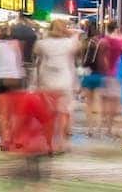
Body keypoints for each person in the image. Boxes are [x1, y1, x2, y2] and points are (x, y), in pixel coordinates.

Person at [33, 20, 79, 152]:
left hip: (47, 82)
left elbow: (37, 57)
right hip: (64, 82)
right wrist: (71, 34)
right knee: (64, 113)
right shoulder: (69, 43)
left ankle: (49, 143)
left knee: (48, 114)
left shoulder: (42, 44)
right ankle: (61, 142)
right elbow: (78, 47)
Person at [0, 23, 24, 149]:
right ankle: (14, 137)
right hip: (14, 79)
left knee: (1, 112)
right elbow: (19, 61)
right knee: (13, 112)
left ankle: (5, 139)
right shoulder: (16, 44)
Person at [99, 22, 122, 137]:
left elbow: (101, 57)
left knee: (104, 101)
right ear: (116, 28)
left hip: (104, 73)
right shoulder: (120, 41)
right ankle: (110, 128)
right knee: (114, 102)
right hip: (116, 73)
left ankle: (103, 125)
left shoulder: (103, 41)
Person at [10, 14, 39, 82]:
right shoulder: (31, 32)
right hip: (28, 60)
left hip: (15, 61)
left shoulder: (14, 29)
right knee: (27, 82)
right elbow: (34, 49)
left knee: (17, 82)